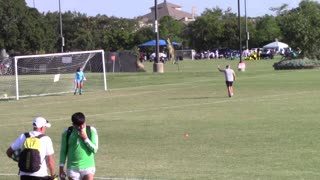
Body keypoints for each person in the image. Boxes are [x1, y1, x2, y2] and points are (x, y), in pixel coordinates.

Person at [59, 112, 98, 180]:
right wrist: (61, 167)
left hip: (88, 167)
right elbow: (63, 151)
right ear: (73, 124)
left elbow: (94, 149)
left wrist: (85, 138)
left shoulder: (91, 130)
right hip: (72, 169)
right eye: (79, 126)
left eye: (83, 124)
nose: (81, 127)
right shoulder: (67, 132)